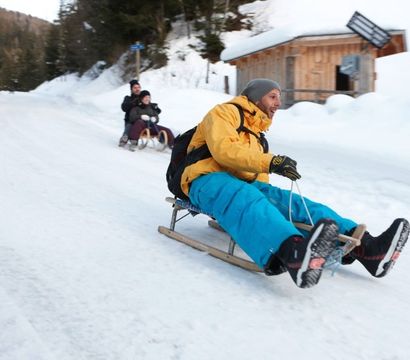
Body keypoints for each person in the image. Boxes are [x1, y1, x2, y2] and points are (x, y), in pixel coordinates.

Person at [179, 78, 409, 289]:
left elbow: (257, 177)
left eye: (279, 97)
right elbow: (224, 151)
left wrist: (272, 193)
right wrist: (272, 162)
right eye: (273, 96)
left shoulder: (259, 135)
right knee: (246, 198)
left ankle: (368, 249)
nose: (279, 102)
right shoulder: (224, 112)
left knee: (293, 203)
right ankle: (292, 252)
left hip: (243, 183)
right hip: (205, 180)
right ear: (256, 96)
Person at [118, 79, 142, 147]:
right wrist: (133, 103)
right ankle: (125, 137)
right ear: (131, 89)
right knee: (130, 124)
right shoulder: (128, 98)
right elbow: (124, 108)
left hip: (141, 120)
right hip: (130, 120)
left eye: (138, 87)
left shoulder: (143, 98)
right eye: (135, 88)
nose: (137, 89)